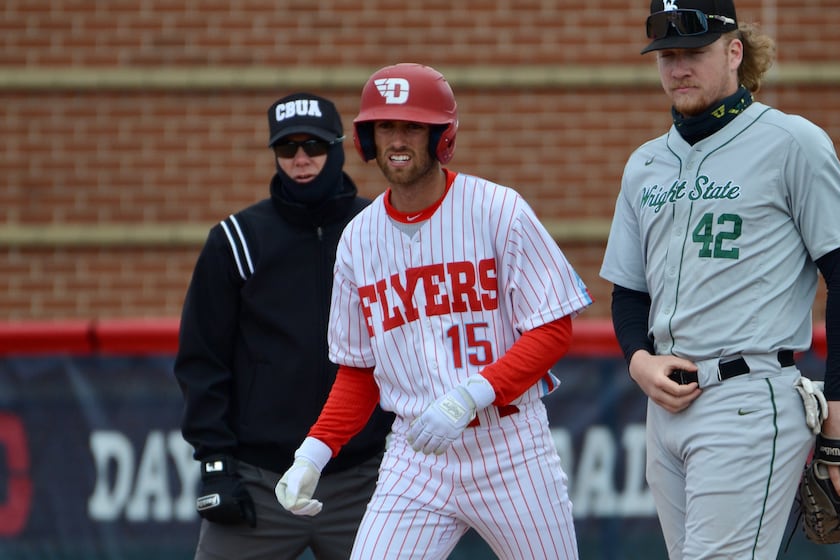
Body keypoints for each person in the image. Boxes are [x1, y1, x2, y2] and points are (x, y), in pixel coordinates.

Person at [273, 63, 592, 559]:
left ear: (441, 136)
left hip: (509, 446)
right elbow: (359, 372)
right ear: (367, 139)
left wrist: (469, 396)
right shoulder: (358, 239)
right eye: (385, 126)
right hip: (415, 455)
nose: (397, 140)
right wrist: (313, 453)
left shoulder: (497, 209)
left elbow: (552, 330)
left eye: (412, 126)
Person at [599, 1, 840, 558]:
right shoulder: (645, 164)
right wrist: (637, 358)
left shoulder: (791, 142)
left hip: (748, 398)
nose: (677, 68)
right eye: (666, 55)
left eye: (693, 53)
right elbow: (628, 291)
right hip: (666, 406)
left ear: (733, 51)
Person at [174, 92, 394, 560]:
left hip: (365, 481)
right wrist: (214, 463)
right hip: (260, 482)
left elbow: (415, 344)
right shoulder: (235, 241)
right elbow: (201, 361)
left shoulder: (381, 229)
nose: (300, 159)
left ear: (337, 147)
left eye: (313, 146)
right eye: (286, 148)